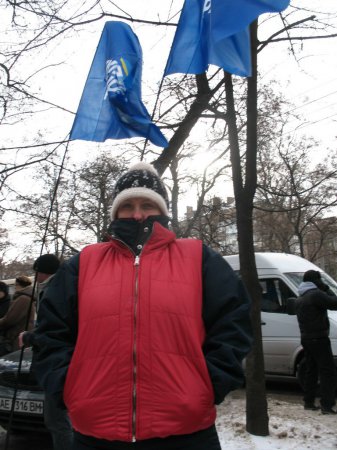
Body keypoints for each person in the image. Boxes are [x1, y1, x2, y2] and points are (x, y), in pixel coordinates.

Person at [33, 162, 253, 450]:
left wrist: (208, 384)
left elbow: (233, 323)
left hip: (187, 433)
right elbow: (50, 332)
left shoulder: (198, 257)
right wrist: (69, 387)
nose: (137, 214)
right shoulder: (84, 263)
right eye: (128, 206)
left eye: (147, 204)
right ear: (115, 212)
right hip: (96, 434)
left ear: (162, 210)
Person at [19, 254, 74, 450]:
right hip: (58, 360)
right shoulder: (61, 286)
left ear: (43, 272)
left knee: (57, 422)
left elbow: (53, 331)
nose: (37, 277)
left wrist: (29, 337)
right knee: (57, 420)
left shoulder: (53, 290)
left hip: (55, 362)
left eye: (38, 272)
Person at [295, 269, 337, 414]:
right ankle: (326, 405)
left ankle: (308, 401)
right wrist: (327, 288)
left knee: (311, 370)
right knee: (328, 372)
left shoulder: (301, 297)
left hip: (306, 338)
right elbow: (335, 303)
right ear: (315, 281)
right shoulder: (316, 295)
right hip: (319, 338)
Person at [0, 275, 34, 356]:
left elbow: (10, 319)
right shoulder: (24, 298)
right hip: (18, 337)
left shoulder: (23, 299)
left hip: (17, 338)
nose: (15, 287)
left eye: (16, 285)